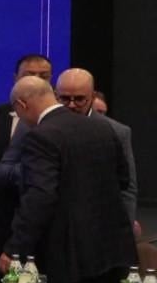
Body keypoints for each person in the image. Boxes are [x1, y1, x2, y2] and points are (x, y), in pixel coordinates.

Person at [1, 77, 135, 283]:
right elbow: (123, 180)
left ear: (21, 105)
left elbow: (40, 197)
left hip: (69, 258)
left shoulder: (41, 136)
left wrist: (15, 249)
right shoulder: (103, 127)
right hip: (112, 253)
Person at [0, 54, 52, 248]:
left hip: (44, 220)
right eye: (29, 75)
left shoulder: (60, 119)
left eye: (44, 76)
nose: (36, 81)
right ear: (16, 78)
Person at [54, 68, 139, 228]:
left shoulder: (117, 131)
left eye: (79, 99)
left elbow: (127, 189)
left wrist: (126, 229)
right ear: (55, 95)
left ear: (92, 97)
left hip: (98, 222)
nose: (71, 105)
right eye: (64, 98)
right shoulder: (38, 126)